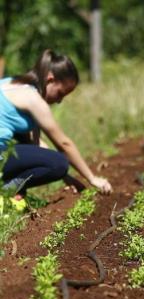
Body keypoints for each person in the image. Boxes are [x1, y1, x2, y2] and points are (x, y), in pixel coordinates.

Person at [0, 49, 112, 204]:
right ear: (50, 80)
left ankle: (9, 189)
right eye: (60, 93)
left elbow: (34, 145)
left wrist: (65, 177)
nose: (59, 101)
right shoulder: (33, 100)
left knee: (56, 163)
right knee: (60, 162)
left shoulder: (12, 83)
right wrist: (93, 178)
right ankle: (4, 191)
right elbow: (64, 144)